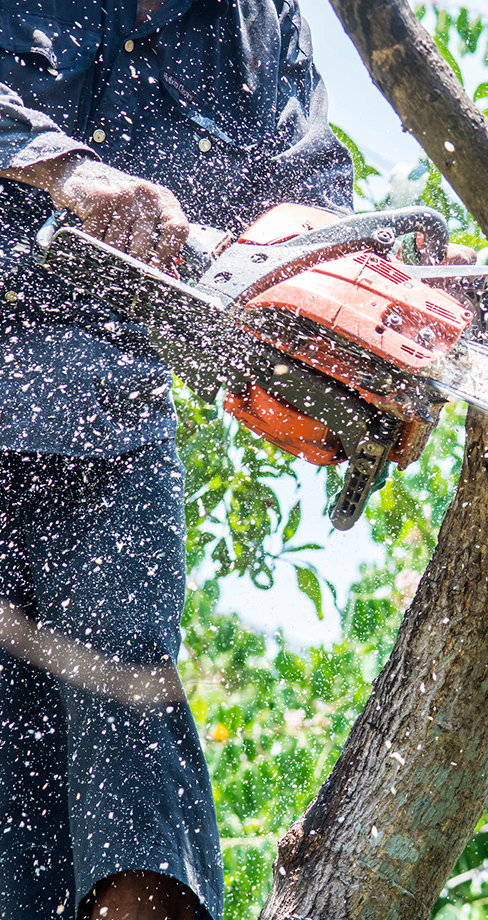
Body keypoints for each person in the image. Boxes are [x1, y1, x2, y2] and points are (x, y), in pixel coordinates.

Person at [0, 0, 353, 918]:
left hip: (113, 412)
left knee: (129, 702)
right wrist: (69, 171)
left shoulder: (257, 24)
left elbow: (307, 198)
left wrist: (363, 317)